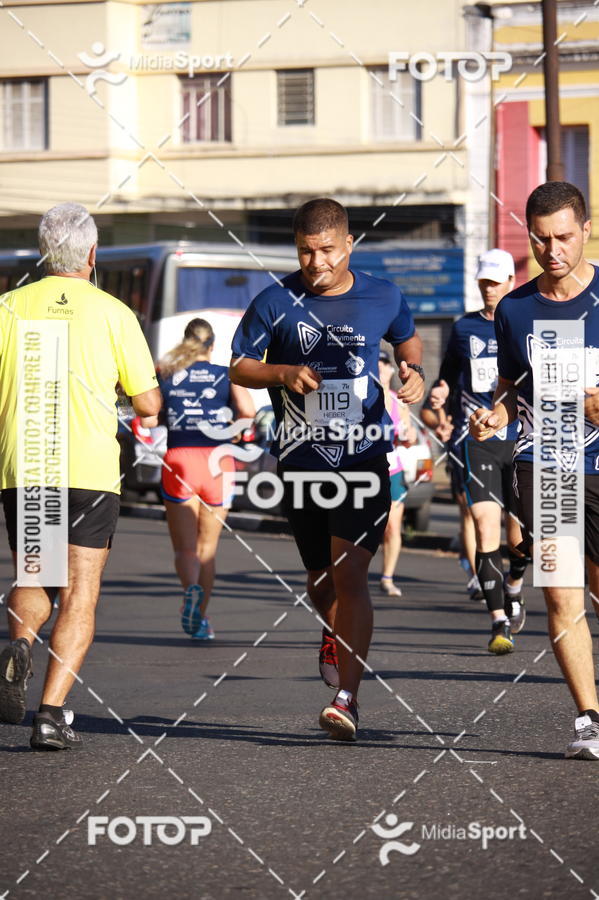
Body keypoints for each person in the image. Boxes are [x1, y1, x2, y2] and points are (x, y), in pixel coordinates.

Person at [229, 198, 424, 741]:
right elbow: (240, 367)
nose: (316, 263)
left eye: (327, 251)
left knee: (351, 574)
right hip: (300, 462)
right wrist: (282, 373)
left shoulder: (382, 294)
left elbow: (407, 340)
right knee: (320, 579)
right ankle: (330, 630)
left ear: (349, 245)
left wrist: (415, 373)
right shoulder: (275, 300)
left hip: (362, 459)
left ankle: (348, 699)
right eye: (306, 252)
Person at [0, 202, 160, 750]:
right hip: (89, 468)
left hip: (27, 465)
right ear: (93, 254)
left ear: (43, 251)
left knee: (37, 576)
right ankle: (50, 715)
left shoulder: (7, 309)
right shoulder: (114, 313)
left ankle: (19, 645)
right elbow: (148, 404)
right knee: (80, 595)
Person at [470, 181, 599, 759]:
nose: (553, 251)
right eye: (542, 239)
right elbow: (510, 384)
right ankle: (589, 720)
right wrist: (493, 415)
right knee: (562, 597)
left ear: (586, 230)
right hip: (546, 466)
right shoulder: (516, 309)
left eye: (564, 238)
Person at [430, 249, 529, 653]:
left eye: (496, 282)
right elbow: (446, 377)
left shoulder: (525, 322)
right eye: (484, 283)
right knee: (484, 526)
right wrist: (436, 394)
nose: (489, 290)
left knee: (518, 535)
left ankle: (515, 585)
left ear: (510, 282)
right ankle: (498, 623)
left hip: (522, 440)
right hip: (479, 442)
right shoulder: (463, 329)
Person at [149, 318, 254, 640]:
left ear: (186, 340)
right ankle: (200, 617)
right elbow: (248, 411)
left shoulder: (166, 372)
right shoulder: (226, 374)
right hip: (217, 462)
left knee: (185, 550)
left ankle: (190, 591)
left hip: (179, 458)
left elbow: (148, 414)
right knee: (207, 547)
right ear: (212, 346)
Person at [421, 385, 483, 601]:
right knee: (469, 510)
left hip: (503, 447)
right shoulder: (460, 358)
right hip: (462, 448)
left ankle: (509, 576)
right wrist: (440, 422)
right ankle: (478, 576)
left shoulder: (515, 354)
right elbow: (427, 410)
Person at [378, 350, 417, 597]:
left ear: (391, 370)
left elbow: (408, 433)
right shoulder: (359, 397)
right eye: (376, 363)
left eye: (384, 364)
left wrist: (408, 437)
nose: (380, 368)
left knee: (392, 527)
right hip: (364, 470)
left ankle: (387, 577)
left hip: (393, 469)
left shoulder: (397, 400)